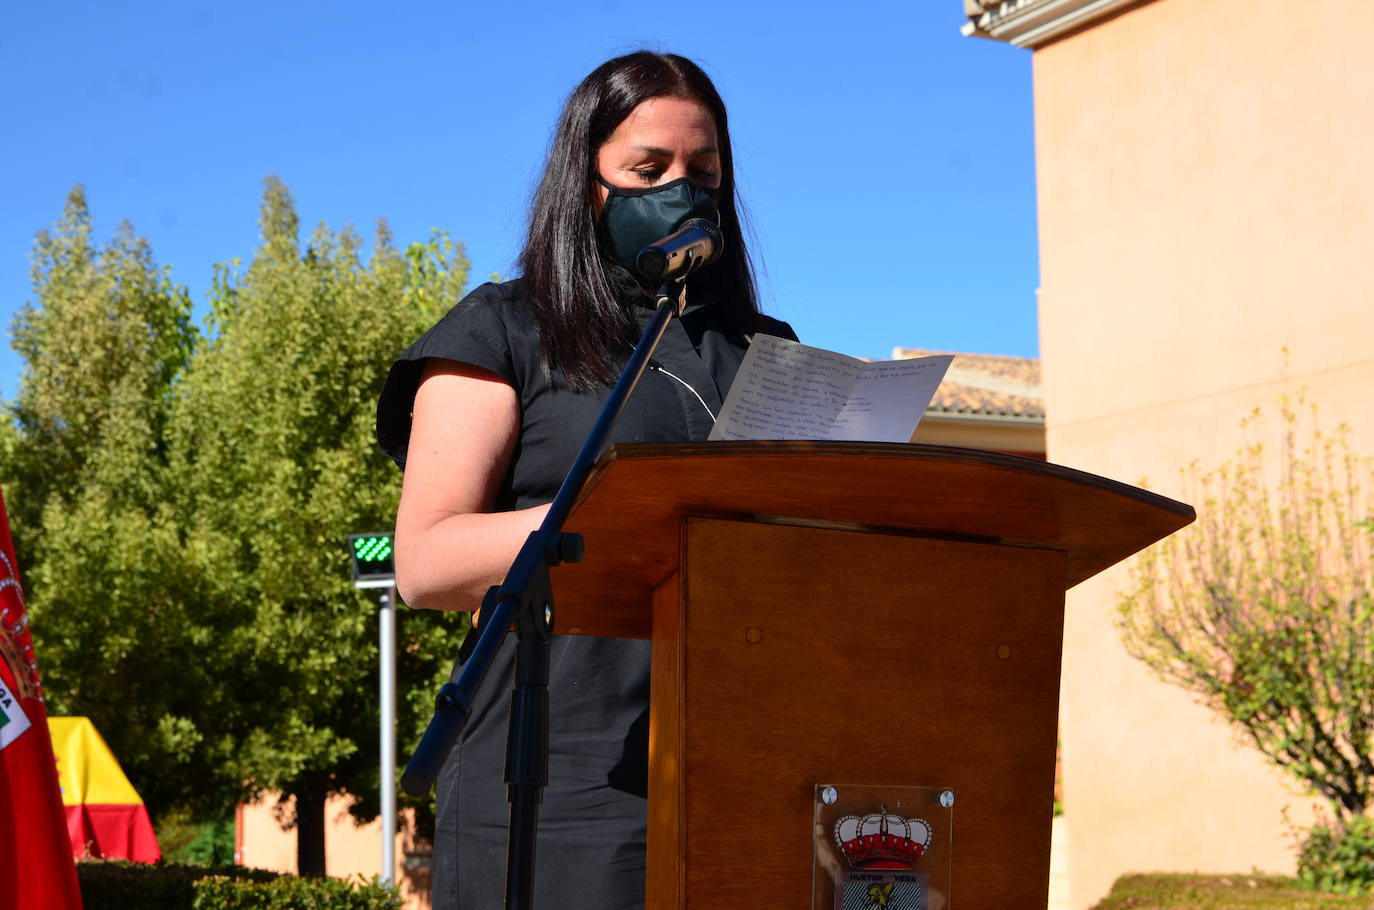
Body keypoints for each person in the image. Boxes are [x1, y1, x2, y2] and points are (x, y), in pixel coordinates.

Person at [376, 51, 796, 909]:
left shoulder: (767, 351)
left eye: (703, 172)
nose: (682, 191)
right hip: (556, 788)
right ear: (587, 181)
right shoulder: (501, 330)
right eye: (649, 169)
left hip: (738, 773)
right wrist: (626, 521)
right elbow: (424, 559)